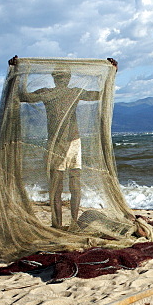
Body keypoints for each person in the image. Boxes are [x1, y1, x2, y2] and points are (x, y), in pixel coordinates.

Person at [18, 60, 116, 228]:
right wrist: (20, 74)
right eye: (60, 76)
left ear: (68, 78)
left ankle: (72, 223)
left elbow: (98, 95)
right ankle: (60, 224)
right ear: (55, 78)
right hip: (60, 144)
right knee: (60, 186)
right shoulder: (50, 92)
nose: (63, 79)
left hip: (73, 143)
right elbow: (24, 97)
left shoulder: (70, 92)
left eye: (64, 76)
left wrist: (111, 74)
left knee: (71, 185)